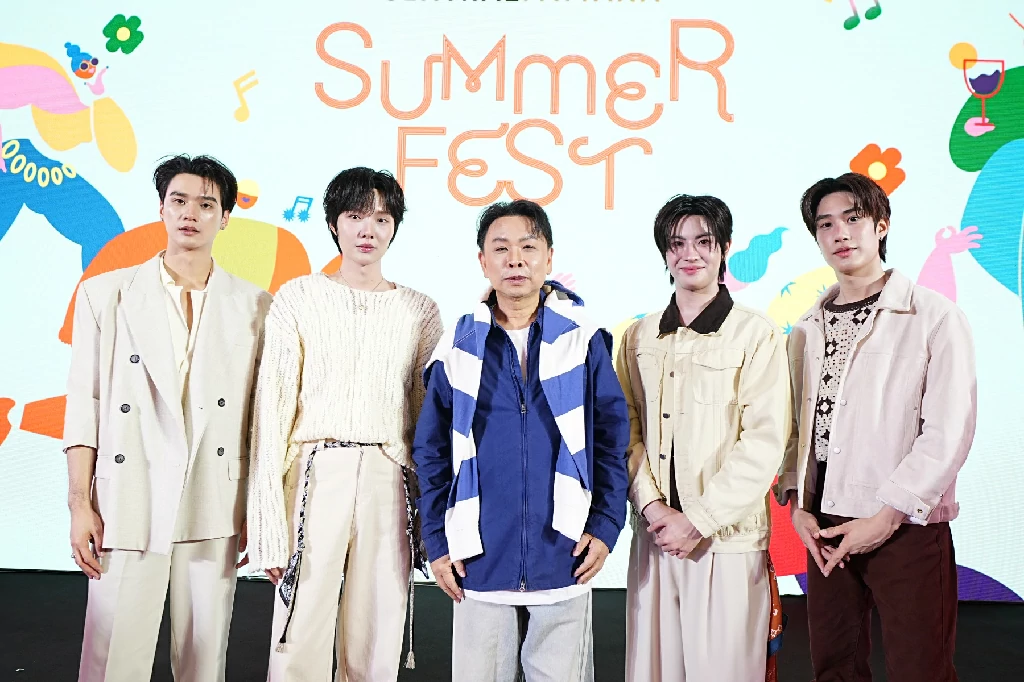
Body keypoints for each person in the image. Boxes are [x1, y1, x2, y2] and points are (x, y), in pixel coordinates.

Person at [64, 154, 271, 681]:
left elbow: (260, 418)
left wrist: (259, 507)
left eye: (206, 204)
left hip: (214, 492)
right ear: (161, 208)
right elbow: (85, 404)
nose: (190, 214)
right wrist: (80, 504)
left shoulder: (256, 305)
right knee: (114, 655)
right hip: (128, 492)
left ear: (225, 217)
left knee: (204, 657)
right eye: (179, 201)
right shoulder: (105, 294)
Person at [413, 199, 630, 682]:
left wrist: (606, 524)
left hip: (564, 555)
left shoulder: (584, 339)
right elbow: (431, 452)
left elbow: (612, 439)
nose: (515, 260)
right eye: (501, 248)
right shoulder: (457, 347)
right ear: (482, 261)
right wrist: (438, 542)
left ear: (549, 258)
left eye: (528, 247)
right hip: (478, 556)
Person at [776, 173, 976, 682]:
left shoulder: (934, 316)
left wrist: (886, 516)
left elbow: (948, 431)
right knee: (834, 668)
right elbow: (798, 426)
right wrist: (798, 504)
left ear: (881, 225)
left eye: (853, 218)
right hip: (825, 523)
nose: (840, 233)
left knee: (920, 669)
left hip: (905, 525)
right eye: (825, 224)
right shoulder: (805, 328)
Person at [247, 167, 443, 681]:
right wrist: (267, 526)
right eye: (355, 216)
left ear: (394, 227)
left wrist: (429, 520)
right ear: (334, 223)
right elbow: (272, 410)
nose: (367, 230)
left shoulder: (420, 311)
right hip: (314, 470)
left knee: (378, 630)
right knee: (299, 628)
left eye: (381, 218)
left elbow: (426, 421)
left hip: (389, 475)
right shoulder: (298, 297)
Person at [617, 194, 790, 681]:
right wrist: (653, 509)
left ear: (725, 248)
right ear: (665, 253)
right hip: (655, 539)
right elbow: (624, 431)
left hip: (726, 541)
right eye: (676, 244)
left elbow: (765, 441)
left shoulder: (756, 334)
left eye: (703, 242)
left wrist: (696, 520)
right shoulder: (638, 337)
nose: (689, 254)